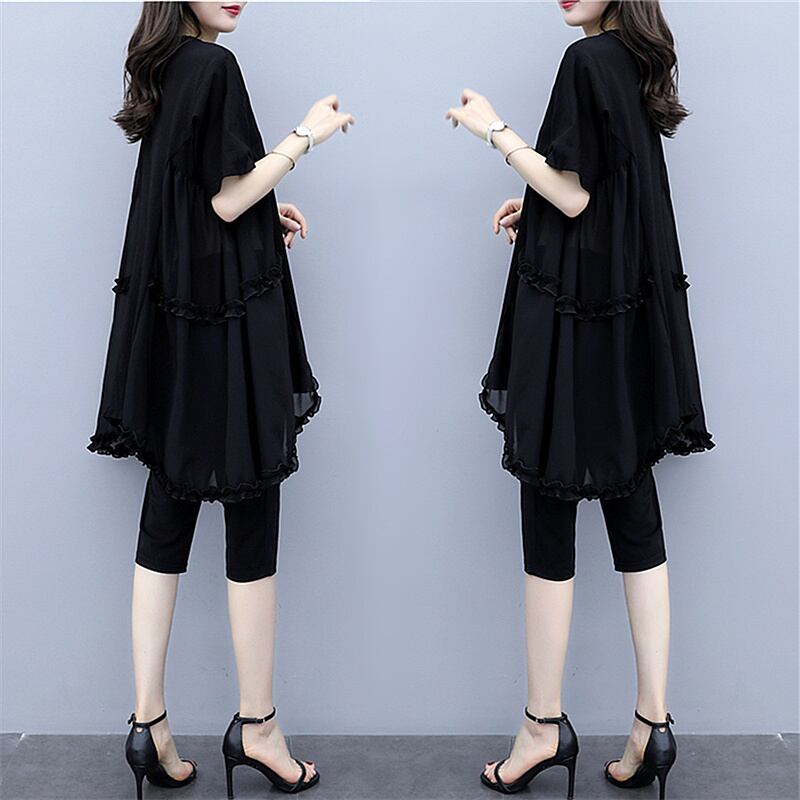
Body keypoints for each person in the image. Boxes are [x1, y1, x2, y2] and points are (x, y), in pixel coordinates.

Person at [446, 1, 715, 797]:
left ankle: (541, 726)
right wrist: (533, 201)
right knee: (635, 512)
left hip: (576, 322)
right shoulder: (633, 60)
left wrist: (494, 131)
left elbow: (572, 197)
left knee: (549, 507)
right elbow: (603, 186)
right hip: (625, 318)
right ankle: (652, 725)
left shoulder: (585, 61)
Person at [87, 3, 353, 797]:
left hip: (175, 318)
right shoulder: (215, 66)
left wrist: (265, 209)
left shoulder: (167, 67)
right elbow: (228, 201)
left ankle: (148, 725)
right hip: (224, 325)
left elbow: (195, 191)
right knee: (251, 508)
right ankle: (258, 727)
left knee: (166, 514)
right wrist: (305, 137)